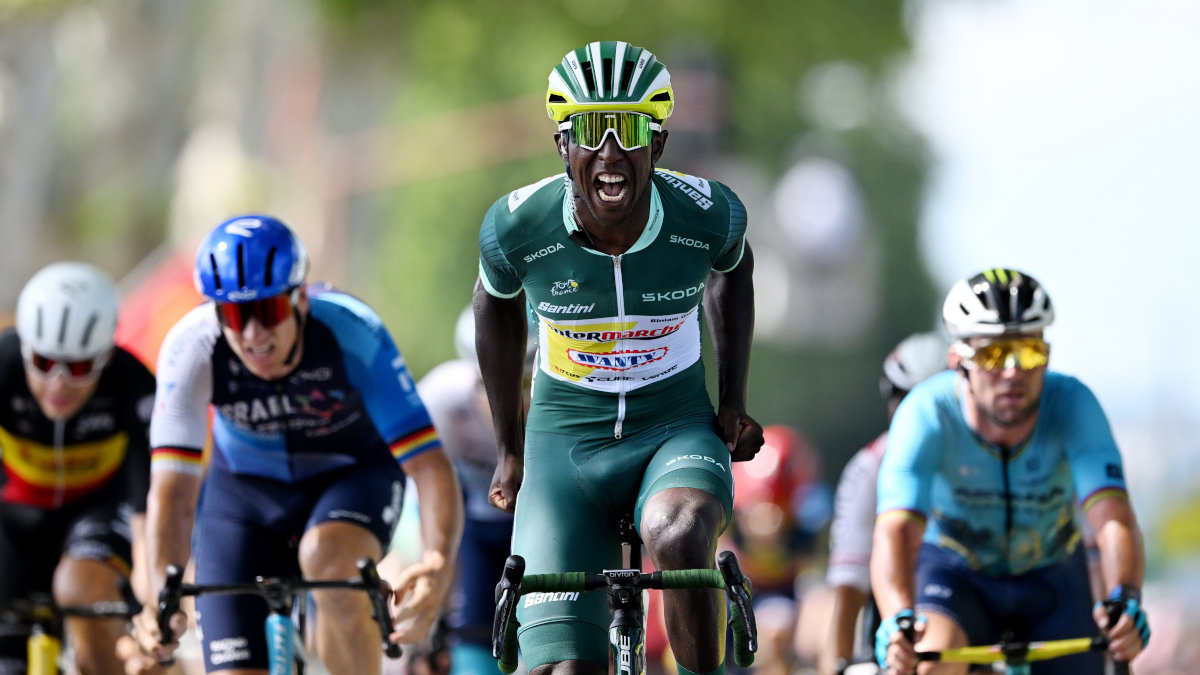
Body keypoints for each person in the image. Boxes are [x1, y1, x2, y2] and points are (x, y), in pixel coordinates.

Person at [474, 41, 763, 675]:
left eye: (628, 130)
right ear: (563, 145)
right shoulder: (517, 226)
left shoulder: (708, 213)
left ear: (657, 144)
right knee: (562, 668)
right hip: (565, 444)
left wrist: (733, 400)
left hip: (674, 426)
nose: (609, 150)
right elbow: (493, 306)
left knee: (679, 531)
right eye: (589, 130)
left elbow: (734, 271)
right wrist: (509, 449)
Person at [127, 215, 464, 675]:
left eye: (266, 311)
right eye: (233, 315)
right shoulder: (191, 348)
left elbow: (428, 464)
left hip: (352, 475)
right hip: (244, 492)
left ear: (299, 299)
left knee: (328, 557)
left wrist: (437, 565)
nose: (252, 334)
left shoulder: (351, 329)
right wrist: (159, 600)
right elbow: (173, 492)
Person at [871, 269, 1150, 675]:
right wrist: (897, 618)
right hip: (955, 573)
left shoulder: (1073, 404)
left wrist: (1125, 597)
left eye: (1029, 352)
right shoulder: (926, 412)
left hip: (1052, 574)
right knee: (931, 660)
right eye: (994, 355)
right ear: (958, 360)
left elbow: (1113, 519)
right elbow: (895, 531)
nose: (1013, 371)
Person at [0, 262, 155, 675]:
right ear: (24, 347)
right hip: (15, 516)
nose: (60, 383)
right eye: (43, 362)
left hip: (97, 510)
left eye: (80, 367)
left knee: (81, 588)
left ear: (106, 357)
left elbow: (150, 503)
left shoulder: (133, 382)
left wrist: (151, 590)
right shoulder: (3, 365)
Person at [822, 332, 949, 675]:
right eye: (906, 402)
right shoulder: (869, 469)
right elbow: (848, 592)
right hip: (897, 629)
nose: (921, 417)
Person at [415, 308, 533, 675]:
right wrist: (433, 613)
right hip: (478, 528)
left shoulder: (576, 402)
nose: (515, 398)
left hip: (546, 525)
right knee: (472, 649)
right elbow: (432, 502)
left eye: (528, 381)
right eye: (492, 381)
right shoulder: (440, 399)